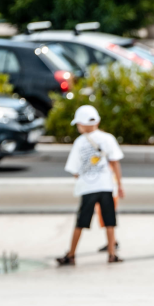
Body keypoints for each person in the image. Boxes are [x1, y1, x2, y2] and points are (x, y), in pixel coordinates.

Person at [57, 105, 125, 266]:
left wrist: (84, 177)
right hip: (106, 186)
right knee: (109, 221)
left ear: (81, 124)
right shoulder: (108, 138)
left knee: (81, 222)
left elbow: (74, 170)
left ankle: (71, 254)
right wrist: (120, 185)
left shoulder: (79, 142)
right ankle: (112, 254)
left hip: (88, 188)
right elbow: (115, 163)